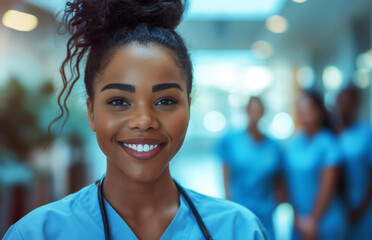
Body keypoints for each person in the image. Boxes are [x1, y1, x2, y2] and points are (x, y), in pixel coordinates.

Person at [2, 0, 268, 239]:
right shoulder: (38, 234)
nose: (144, 120)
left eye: (165, 101)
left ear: (188, 107)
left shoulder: (239, 230)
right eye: (119, 101)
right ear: (92, 113)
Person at [216, 97, 283, 239]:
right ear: (246, 111)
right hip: (239, 207)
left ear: (263, 112)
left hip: (265, 211)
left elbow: (279, 179)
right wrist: (228, 202)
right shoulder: (231, 140)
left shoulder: (273, 146)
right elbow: (225, 174)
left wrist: (276, 202)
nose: (255, 114)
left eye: (258, 110)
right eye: (252, 110)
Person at [282, 91, 346, 240]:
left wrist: (312, 221)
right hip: (299, 222)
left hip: (324, 221)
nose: (302, 111)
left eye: (307, 108)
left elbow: (328, 186)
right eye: (299, 107)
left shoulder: (328, 143)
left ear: (319, 112)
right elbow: (286, 183)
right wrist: (298, 218)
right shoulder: (293, 144)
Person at [335, 87, 372, 240]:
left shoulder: (367, 133)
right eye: (340, 103)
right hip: (339, 210)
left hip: (365, 208)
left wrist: (361, 208)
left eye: (348, 103)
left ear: (357, 104)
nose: (344, 107)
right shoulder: (329, 133)